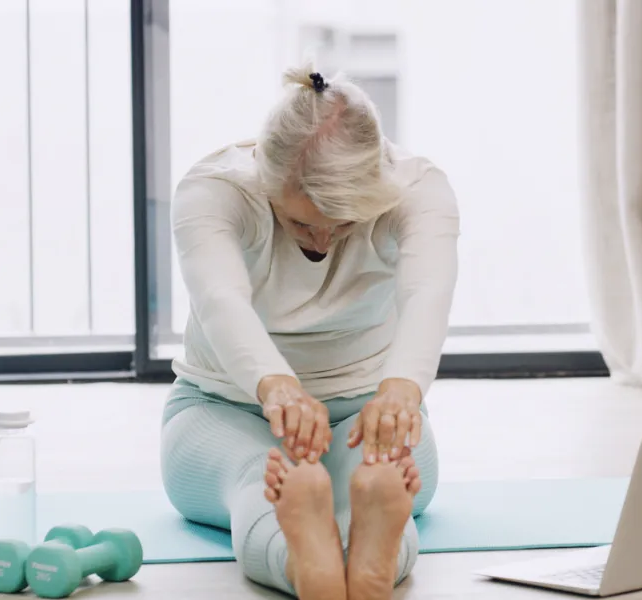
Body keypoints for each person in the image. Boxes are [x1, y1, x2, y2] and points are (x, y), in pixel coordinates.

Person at [159, 64, 459, 600]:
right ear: (266, 180)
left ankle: (316, 566)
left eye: (342, 223)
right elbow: (221, 300)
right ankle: (344, 563)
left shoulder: (417, 189)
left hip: (367, 414)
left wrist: (400, 394)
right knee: (262, 475)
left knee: (353, 477)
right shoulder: (213, 191)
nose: (321, 241)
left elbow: (426, 293)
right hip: (221, 409)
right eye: (301, 223)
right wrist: (276, 386)